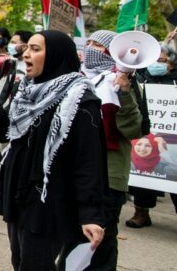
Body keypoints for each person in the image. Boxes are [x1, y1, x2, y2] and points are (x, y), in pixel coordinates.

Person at [0, 30, 105, 270]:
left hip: (49, 201)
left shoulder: (81, 101)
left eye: (35, 49)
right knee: (20, 260)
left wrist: (90, 214)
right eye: (27, 48)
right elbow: (5, 134)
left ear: (56, 56)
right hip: (20, 194)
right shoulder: (28, 91)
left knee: (36, 264)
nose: (26, 54)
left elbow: (88, 162)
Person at [81, 30, 143, 269]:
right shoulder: (80, 78)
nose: (89, 48)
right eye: (88, 43)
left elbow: (133, 130)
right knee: (76, 239)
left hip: (109, 175)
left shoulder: (127, 84)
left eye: (97, 45)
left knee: (102, 243)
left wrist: (125, 94)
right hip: (81, 172)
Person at [127, 39, 177, 228]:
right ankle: (141, 212)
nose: (158, 64)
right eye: (155, 59)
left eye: (163, 60)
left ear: (171, 63)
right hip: (146, 133)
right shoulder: (139, 78)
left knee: (173, 172)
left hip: (172, 136)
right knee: (143, 173)